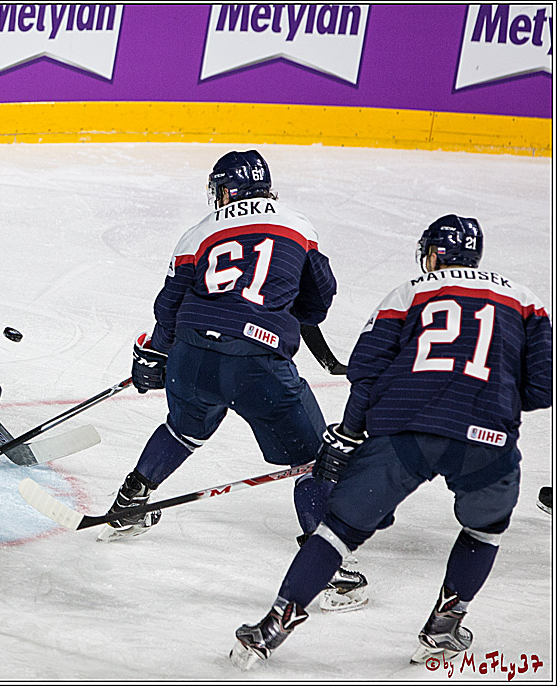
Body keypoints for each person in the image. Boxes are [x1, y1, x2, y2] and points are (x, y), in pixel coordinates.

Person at [230, 215, 553, 670]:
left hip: (405, 428)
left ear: (434, 254)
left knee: (338, 529)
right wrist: (488, 397)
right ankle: (443, 628)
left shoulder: (407, 293)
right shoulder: (526, 300)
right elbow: (543, 388)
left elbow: (366, 372)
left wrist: (349, 434)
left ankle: (271, 627)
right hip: (485, 435)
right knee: (484, 530)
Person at [103, 149, 366, 609]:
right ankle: (327, 572)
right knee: (314, 460)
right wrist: (282, 309)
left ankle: (131, 499)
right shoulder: (299, 225)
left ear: (225, 189)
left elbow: (168, 306)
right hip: (257, 362)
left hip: (192, 355)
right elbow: (319, 300)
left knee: (183, 428)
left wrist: (155, 352)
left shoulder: (199, 232)